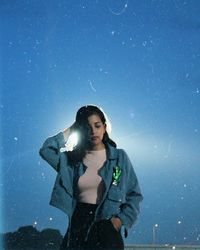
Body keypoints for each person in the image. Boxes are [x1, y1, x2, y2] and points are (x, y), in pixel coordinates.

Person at [39, 105, 143, 250]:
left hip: (107, 227)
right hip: (78, 226)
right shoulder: (72, 161)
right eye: (87, 127)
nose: (93, 131)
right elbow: (46, 150)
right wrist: (72, 128)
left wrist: (119, 221)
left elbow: (134, 195)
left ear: (104, 127)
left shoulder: (119, 158)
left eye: (97, 126)